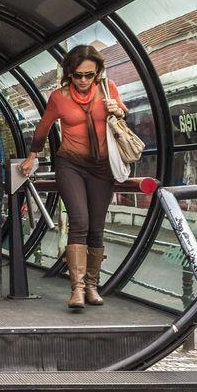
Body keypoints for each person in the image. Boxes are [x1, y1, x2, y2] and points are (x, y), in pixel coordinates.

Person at [19, 45, 128, 310]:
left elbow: (124, 114)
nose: (82, 80)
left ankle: (92, 286)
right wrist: (32, 157)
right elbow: (43, 129)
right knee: (79, 220)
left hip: (102, 167)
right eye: (78, 75)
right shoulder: (59, 97)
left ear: (97, 73)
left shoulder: (108, 89)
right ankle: (77, 289)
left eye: (88, 75)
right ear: (70, 73)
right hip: (70, 164)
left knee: (96, 227)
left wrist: (117, 109)